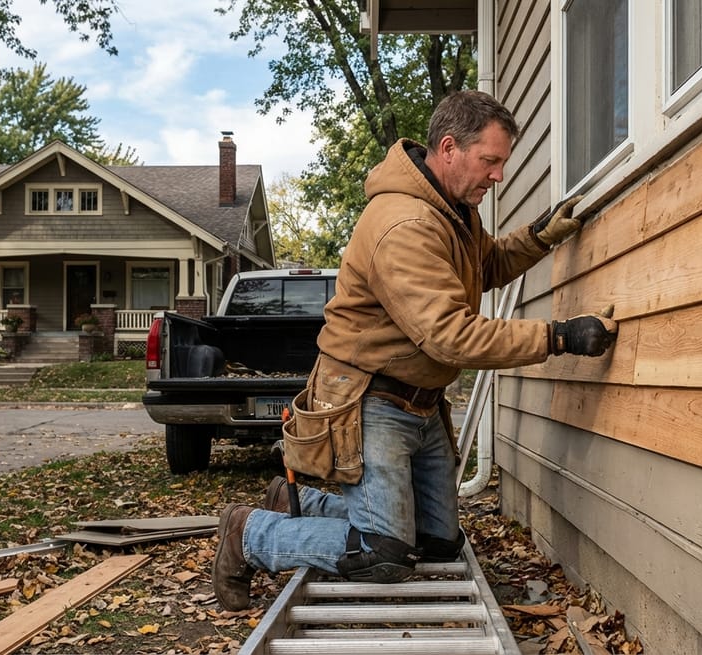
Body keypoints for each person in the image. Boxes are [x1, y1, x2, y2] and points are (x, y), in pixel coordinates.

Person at [212, 90, 618, 611]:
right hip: (371, 399)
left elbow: (486, 264)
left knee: (440, 546)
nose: (498, 176)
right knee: (383, 554)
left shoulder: (452, 210)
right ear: (449, 148)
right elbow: (452, 334)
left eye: (501, 163)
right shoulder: (404, 225)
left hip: (419, 402)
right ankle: (248, 534)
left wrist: (541, 235)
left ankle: (299, 504)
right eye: (489, 161)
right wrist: (559, 337)